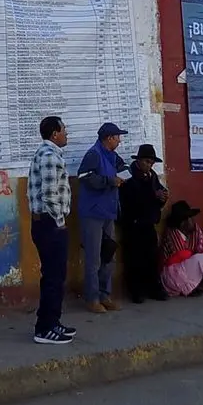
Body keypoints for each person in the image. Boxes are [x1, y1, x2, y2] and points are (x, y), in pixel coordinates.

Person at [28, 116, 77, 344]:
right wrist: (59, 222)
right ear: (55, 134)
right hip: (49, 224)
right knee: (53, 278)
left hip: (46, 223)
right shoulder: (49, 157)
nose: (67, 133)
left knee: (55, 277)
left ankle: (52, 322)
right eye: (64, 129)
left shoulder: (50, 154)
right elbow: (49, 195)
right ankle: (45, 328)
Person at [77, 122, 129, 313]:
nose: (119, 141)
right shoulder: (94, 154)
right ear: (108, 138)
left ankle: (105, 295)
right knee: (94, 258)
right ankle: (92, 298)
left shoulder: (112, 155)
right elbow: (83, 176)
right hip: (92, 213)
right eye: (117, 137)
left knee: (108, 255)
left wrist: (126, 172)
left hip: (109, 211)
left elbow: (124, 167)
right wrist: (109, 181)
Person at [118, 144, 169, 304]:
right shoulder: (128, 175)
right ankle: (136, 291)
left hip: (148, 223)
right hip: (132, 224)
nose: (149, 165)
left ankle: (153, 288)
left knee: (151, 257)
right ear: (139, 160)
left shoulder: (152, 176)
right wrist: (153, 195)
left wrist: (162, 198)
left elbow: (158, 195)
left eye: (152, 162)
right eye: (147, 161)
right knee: (134, 259)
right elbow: (129, 199)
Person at [160, 201, 203, 297]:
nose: (192, 221)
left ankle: (200, 285)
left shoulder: (195, 230)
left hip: (189, 267)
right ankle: (189, 287)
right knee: (196, 259)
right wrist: (195, 256)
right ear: (182, 223)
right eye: (189, 218)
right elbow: (181, 256)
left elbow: (202, 249)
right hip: (173, 273)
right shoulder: (172, 233)